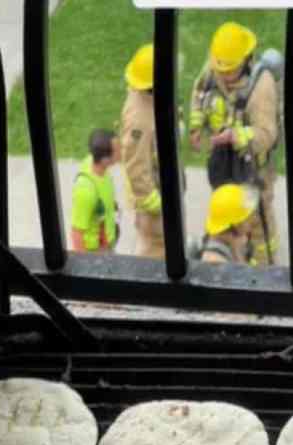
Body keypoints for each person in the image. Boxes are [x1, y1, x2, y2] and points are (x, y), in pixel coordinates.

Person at [187, 22, 281, 264]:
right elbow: (199, 94)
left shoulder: (262, 87)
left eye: (231, 70)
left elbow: (266, 134)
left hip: (252, 170)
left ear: (246, 59)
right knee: (226, 214)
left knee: (257, 223)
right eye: (221, 70)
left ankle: (263, 267)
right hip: (223, 164)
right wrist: (196, 126)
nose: (225, 76)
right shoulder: (215, 67)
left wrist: (236, 136)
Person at [120, 43, 166, 260]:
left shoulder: (150, 100)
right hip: (153, 201)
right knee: (156, 250)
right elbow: (135, 165)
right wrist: (154, 203)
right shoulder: (139, 119)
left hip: (160, 186)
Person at [70, 129, 120, 253]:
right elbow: (77, 234)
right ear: (105, 159)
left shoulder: (96, 164)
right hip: (96, 252)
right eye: (118, 150)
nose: (122, 152)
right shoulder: (86, 191)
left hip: (108, 242)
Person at [195, 184, 258, 264]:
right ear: (236, 225)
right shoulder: (215, 260)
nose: (254, 219)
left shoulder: (237, 239)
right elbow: (244, 276)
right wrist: (237, 253)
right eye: (248, 217)